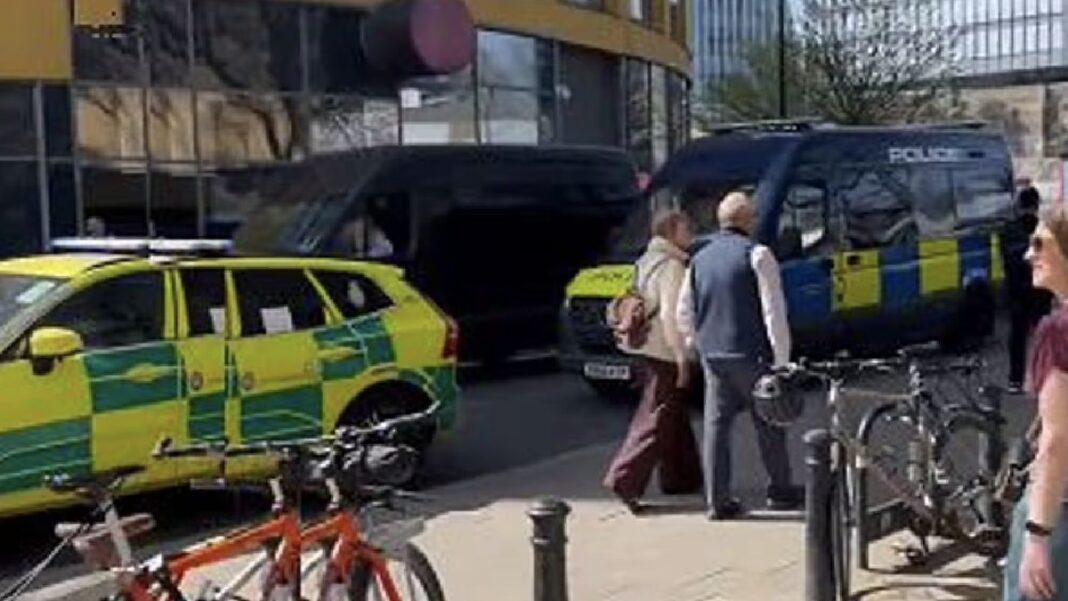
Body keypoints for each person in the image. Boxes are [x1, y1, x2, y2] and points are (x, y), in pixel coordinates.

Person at [676, 190, 802, 520]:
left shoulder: (698, 259)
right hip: (753, 354)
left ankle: (717, 501)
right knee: (770, 422)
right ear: (747, 221)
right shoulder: (758, 255)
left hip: (714, 355)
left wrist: (695, 342)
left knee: (716, 428)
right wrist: (782, 360)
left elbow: (683, 310)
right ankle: (780, 491)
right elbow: (773, 311)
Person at [603, 209, 703, 514]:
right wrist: (682, 358)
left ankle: (682, 477)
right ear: (672, 229)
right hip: (663, 350)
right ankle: (624, 478)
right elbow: (672, 317)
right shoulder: (672, 266)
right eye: (687, 228)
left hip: (642, 348)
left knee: (673, 415)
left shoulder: (645, 261)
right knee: (657, 417)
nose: (692, 234)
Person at [1003, 202, 1068, 601]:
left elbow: (1058, 440)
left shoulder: (1057, 332)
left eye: (1039, 244)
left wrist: (1038, 536)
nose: (1029, 254)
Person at [1004, 184, 1054, 392]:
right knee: (1042, 336)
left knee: (1017, 336)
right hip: (1040, 291)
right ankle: (1043, 377)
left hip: (1017, 291)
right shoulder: (1045, 229)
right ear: (1036, 205)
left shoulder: (1008, 230)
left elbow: (1005, 261)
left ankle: (1015, 380)